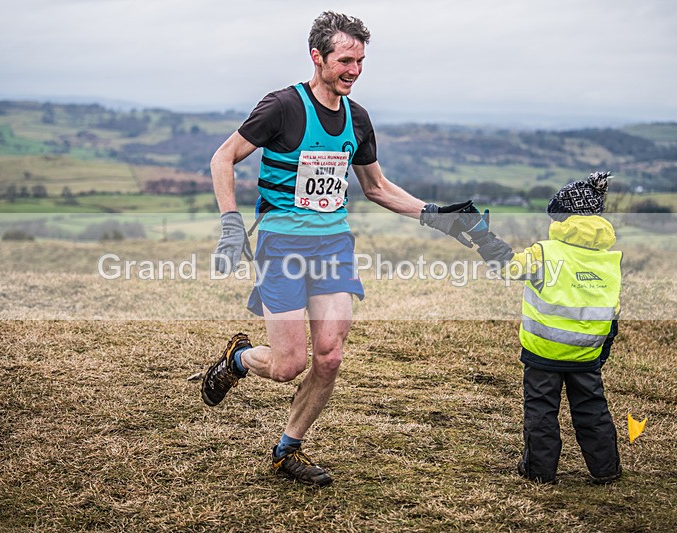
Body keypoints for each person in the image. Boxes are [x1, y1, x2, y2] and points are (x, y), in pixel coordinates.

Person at [201, 11, 475, 487]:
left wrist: (435, 215)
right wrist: (230, 223)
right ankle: (238, 359)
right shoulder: (283, 107)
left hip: (333, 245)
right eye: (345, 60)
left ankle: (287, 450)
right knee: (288, 365)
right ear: (317, 57)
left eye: (360, 61)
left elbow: (376, 187)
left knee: (329, 357)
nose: (355, 70)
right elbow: (223, 157)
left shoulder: (358, 118)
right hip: (282, 245)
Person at [461, 171, 623, 484]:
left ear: (563, 219)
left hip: (543, 354)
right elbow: (612, 313)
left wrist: (482, 236)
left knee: (541, 411)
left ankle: (539, 472)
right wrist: (600, 355)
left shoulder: (545, 253)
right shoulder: (608, 260)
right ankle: (607, 470)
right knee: (592, 410)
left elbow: (507, 266)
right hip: (586, 355)